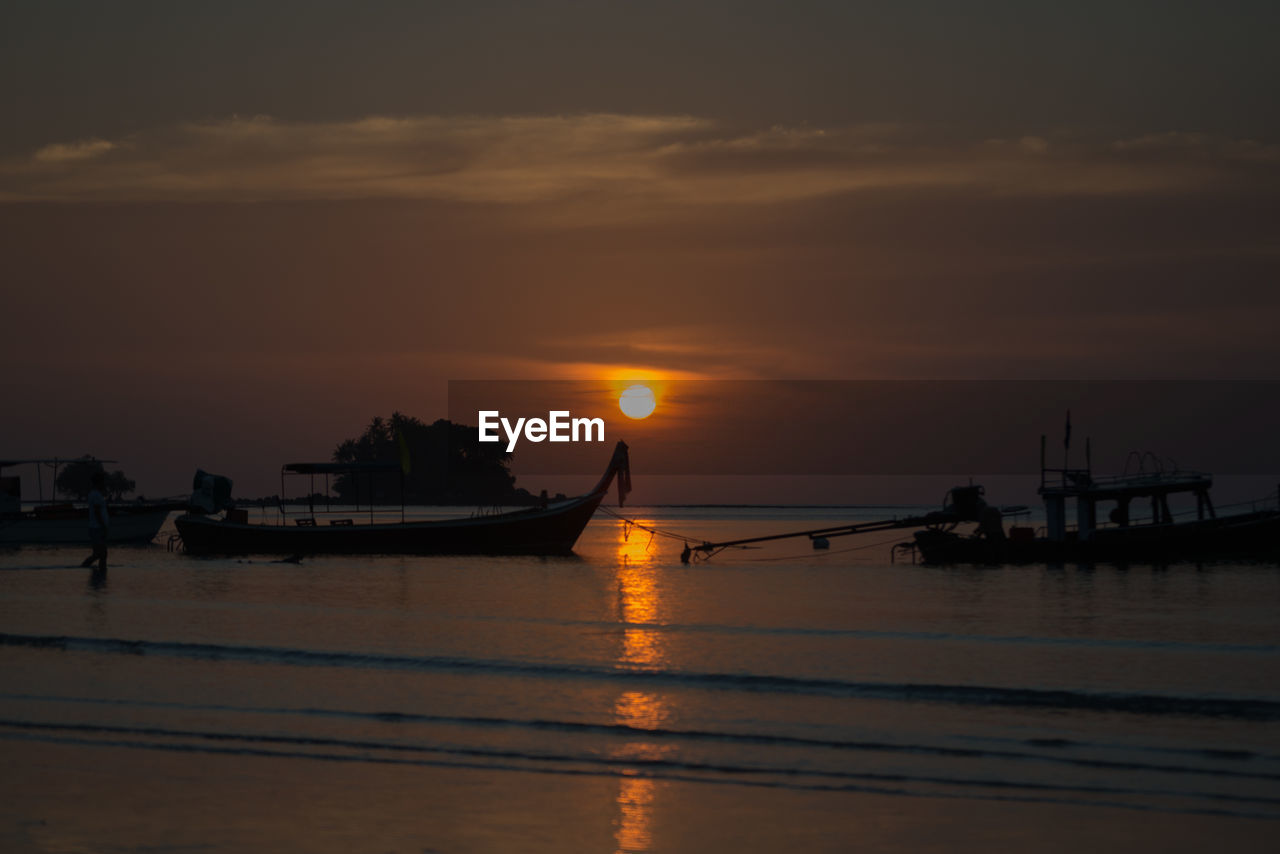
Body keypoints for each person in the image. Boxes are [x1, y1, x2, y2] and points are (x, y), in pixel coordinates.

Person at [81, 471, 109, 571]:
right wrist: (103, 526)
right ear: (99, 482)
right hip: (97, 528)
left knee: (100, 554)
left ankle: (101, 572)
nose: (104, 484)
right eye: (103, 482)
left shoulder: (95, 494)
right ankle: (99, 572)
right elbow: (97, 512)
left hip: (96, 528)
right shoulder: (96, 495)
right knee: (100, 554)